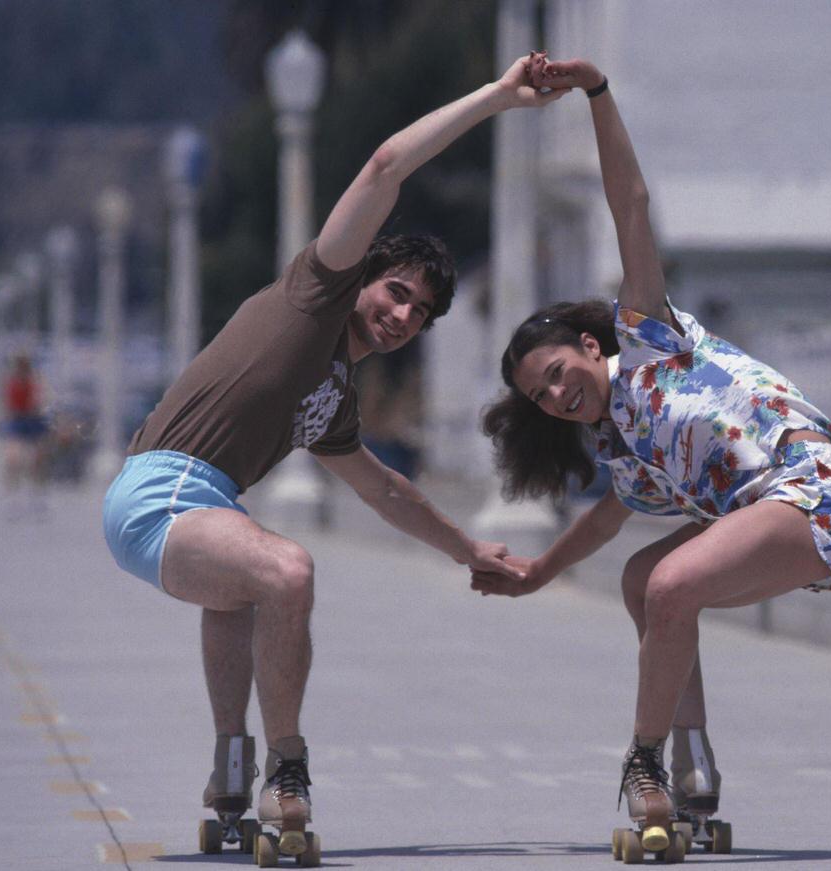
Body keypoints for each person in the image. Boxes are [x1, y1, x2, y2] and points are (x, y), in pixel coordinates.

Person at [102, 54, 564, 859]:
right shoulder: (314, 293)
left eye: (418, 313)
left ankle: (231, 766)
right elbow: (386, 165)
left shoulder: (335, 400)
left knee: (242, 588)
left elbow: (384, 491)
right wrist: (496, 96)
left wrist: (470, 552)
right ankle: (289, 768)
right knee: (287, 571)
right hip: (161, 490)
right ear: (364, 278)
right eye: (395, 292)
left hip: (198, 509)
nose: (400, 313)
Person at [474, 56, 831, 857]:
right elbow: (607, 518)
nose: (557, 397)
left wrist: (596, 93)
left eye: (558, 375)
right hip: (762, 516)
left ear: (590, 345)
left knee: (673, 582)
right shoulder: (620, 444)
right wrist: (540, 573)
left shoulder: (648, 340)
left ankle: (643, 763)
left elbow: (632, 204)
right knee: (639, 580)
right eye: (542, 399)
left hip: (809, 490)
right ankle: (692, 763)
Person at [1, 354, 49, 517]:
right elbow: (7, 404)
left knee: (36, 461)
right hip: (17, 421)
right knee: (13, 460)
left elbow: (41, 402)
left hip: (33, 421)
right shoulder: (12, 383)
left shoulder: (34, 382)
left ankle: (37, 496)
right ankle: (13, 498)